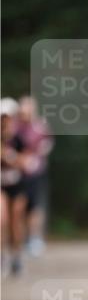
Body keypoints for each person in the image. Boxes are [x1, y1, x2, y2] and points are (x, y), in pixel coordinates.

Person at [15, 95, 54, 257]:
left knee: (35, 207)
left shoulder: (41, 126)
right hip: (18, 173)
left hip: (36, 172)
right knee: (20, 206)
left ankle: (34, 238)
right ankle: (21, 238)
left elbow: (47, 145)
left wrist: (34, 156)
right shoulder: (15, 127)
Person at [1, 97, 28, 276]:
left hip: (18, 184)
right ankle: (2, 256)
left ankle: (16, 256)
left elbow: (26, 162)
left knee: (15, 221)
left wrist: (11, 158)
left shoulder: (20, 138)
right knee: (1, 219)